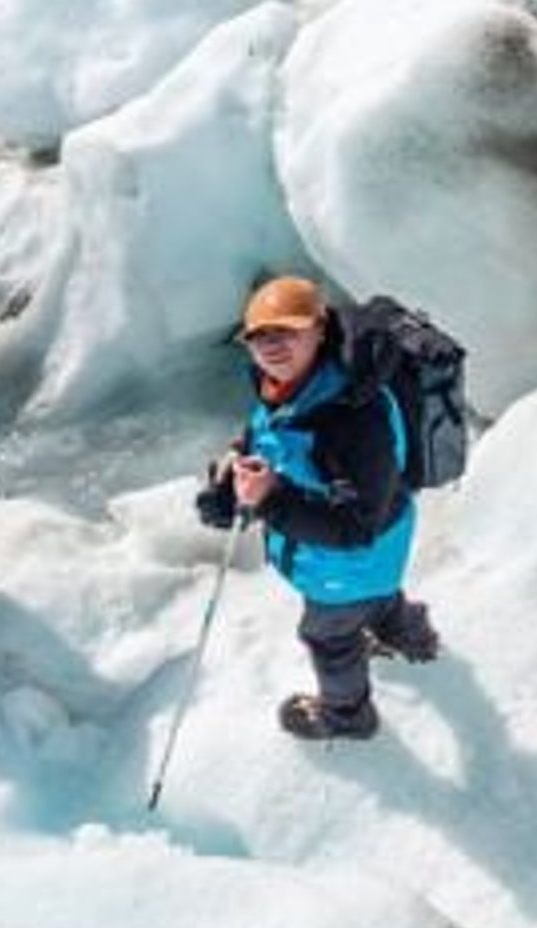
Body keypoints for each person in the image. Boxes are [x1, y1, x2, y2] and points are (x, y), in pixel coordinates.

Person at [192, 276, 442, 742]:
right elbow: (270, 440)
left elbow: (356, 527)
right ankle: (411, 636)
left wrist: (270, 500)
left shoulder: (354, 418)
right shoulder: (288, 387)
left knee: (329, 637)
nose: (272, 345)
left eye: (287, 330)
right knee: (377, 599)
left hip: (350, 559)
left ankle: (347, 716)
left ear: (320, 329)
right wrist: (234, 479)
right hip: (362, 561)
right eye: (259, 335)